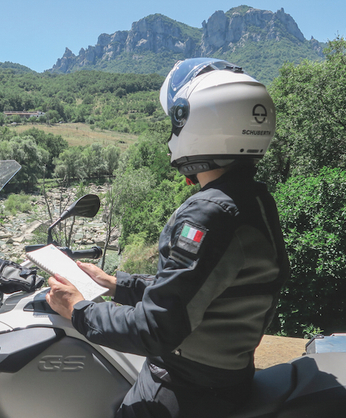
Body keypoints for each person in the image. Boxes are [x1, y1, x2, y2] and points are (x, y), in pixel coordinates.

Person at [46, 58, 290, 418]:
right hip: (222, 381)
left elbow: (156, 328)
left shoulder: (210, 213)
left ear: (198, 123)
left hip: (184, 388)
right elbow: (194, 290)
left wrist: (79, 309)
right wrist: (116, 284)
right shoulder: (252, 199)